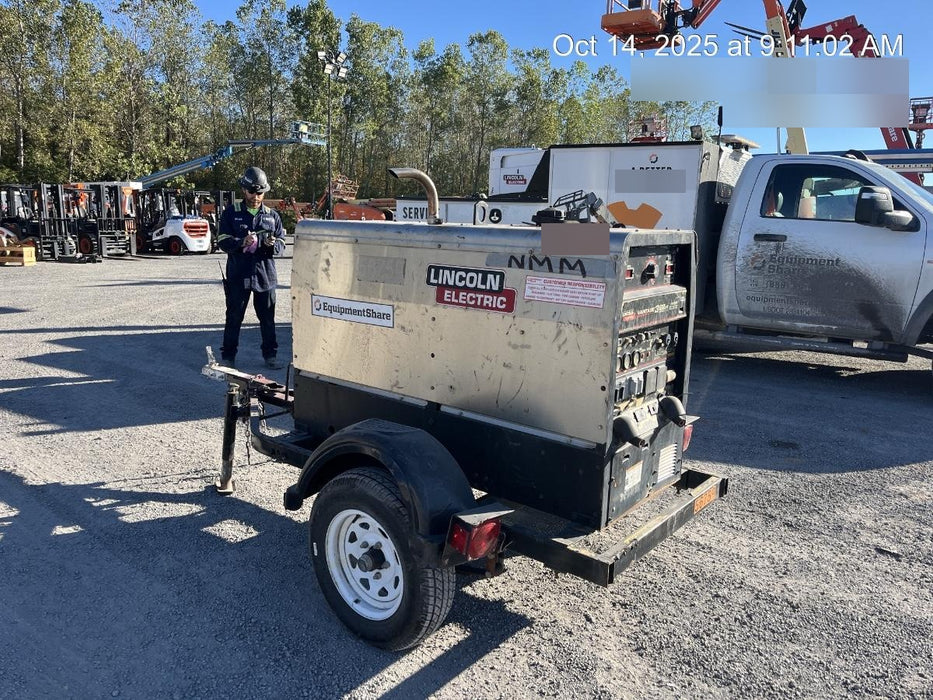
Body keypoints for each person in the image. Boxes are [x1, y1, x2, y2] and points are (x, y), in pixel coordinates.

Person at [218, 166, 286, 369]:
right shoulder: (231, 214)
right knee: (234, 317)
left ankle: (270, 356)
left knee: (267, 319)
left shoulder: (272, 216)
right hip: (239, 275)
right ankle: (229, 357)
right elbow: (222, 241)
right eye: (252, 192)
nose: (256, 197)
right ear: (244, 190)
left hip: (265, 276)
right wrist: (241, 242)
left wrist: (272, 244)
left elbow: (282, 244)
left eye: (260, 193)